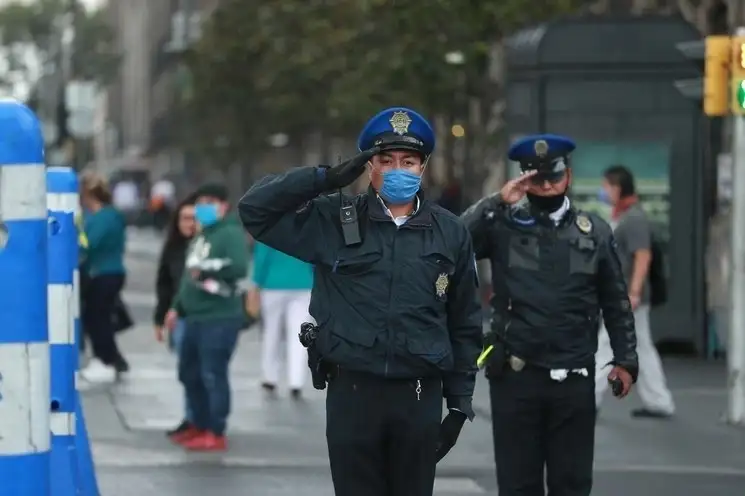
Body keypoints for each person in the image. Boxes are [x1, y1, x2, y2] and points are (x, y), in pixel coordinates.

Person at [239, 107, 483, 496]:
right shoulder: (335, 220)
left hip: (418, 394)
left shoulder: (449, 232)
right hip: (352, 392)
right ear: (368, 167)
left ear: (423, 167)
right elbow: (255, 211)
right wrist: (324, 179)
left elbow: (465, 322)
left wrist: (459, 404)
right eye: (385, 160)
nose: (397, 170)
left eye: (408, 161)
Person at [460, 134, 639, 496]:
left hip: (572, 375)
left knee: (571, 483)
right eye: (535, 180)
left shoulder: (594, 232)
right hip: (515, 376)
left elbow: (615, 300)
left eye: (552, 178)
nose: (545, 187)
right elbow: (451, 242)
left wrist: (626, 360)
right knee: (517, 483)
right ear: (523, 180)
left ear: (567, 177)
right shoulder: (502, 225)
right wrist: (496, 202)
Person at [164, 183, 249, 452]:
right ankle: (198, 424)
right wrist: (176, 306)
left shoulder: (229, 234)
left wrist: (208, 269)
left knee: (213, 374)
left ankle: (216, 430)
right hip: (194, 317)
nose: (204, 207)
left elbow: (238, 267)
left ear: (223, 206)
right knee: (190, 373)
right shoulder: (203, 235)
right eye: (201, 202)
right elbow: (188, 279)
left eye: (210, 201)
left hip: (219, 317)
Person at [595, 165, 675, 418]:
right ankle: (659, 401)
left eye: (607, 186)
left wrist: (634, 292)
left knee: (606, 344)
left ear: (618, 188)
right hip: (625, 296)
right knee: (642, 347)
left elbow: (643, 256)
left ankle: (587, 400)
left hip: (626, 298)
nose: (604, 191)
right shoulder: (624, 216)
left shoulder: (634, 219)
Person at [153, 194, 198, 439]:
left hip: (199, 317)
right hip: (176, 317)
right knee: (186, 370)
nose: (189, 223)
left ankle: (199, 420)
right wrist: (158, 318)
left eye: (193, 218)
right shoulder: (173, 248)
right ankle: (191, 418)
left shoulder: (204, 247)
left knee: (198, 371)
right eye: (184, 218)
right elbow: (164, 285)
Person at [79, 172, 130, 383]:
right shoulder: (95, 216)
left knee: (98, 319)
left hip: (105, 273)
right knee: (96, 318)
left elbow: (88, 244)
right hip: (99, 273)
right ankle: (112, 359)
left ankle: (107, 360)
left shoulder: (106, 217)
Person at [252, 241, 313, 399]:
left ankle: (270, 377)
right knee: (300, 334)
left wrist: (256, 283)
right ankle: (296, 381)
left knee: (271, 332)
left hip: (273, 283)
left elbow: (262, 257)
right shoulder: (307, 222)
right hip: (303, 283)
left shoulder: (270, 223)